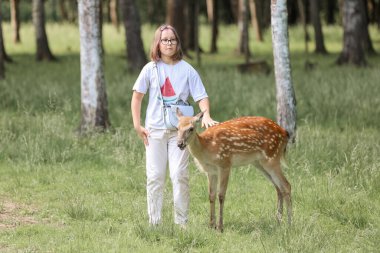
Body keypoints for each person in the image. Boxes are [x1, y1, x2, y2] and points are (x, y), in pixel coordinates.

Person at [131, 24, 218, 227]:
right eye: (164, 40)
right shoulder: (150, 69)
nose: (169, 43)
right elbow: (137, 98)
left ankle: (182, 224)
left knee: (179, 176)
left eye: (172, 40)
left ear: (177, 43)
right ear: (158, 44)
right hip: (154, 132)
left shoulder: (187, 70)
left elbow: (202, 97)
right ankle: (155, 224)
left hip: (180, 134)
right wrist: (138, 125)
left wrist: (206, 114)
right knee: (155, 177)